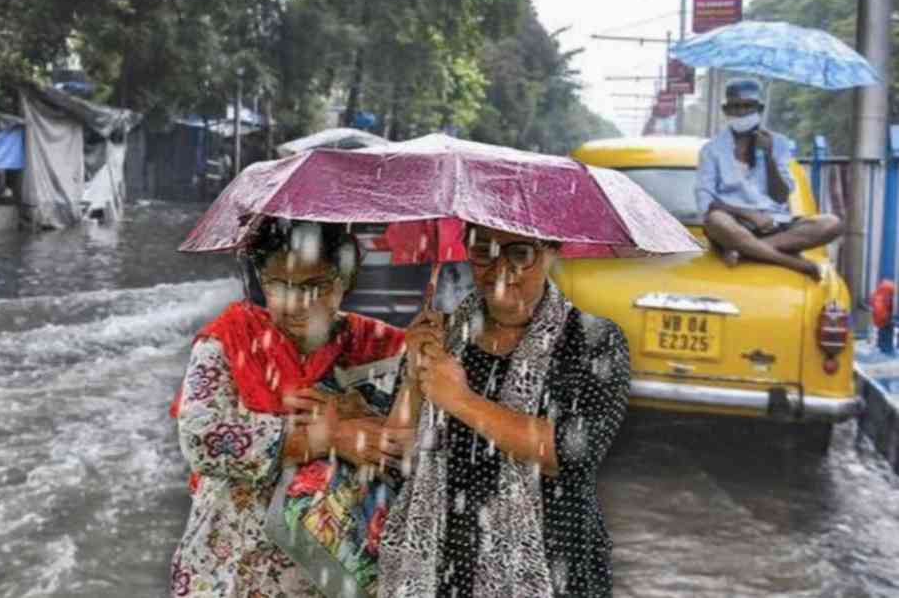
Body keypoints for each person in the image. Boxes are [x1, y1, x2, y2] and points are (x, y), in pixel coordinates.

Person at [379, 225, 632, 598]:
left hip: (553, 567)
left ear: (551, 250)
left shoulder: (593, 340)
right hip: (447, 568)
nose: (499, 269)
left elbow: (568, 454)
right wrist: (414, 380)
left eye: (519, 253)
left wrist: (460, 399)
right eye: (483, 251)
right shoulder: (443, 336)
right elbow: (395, 450)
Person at [170, 219, 413, 597]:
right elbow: (204, 441)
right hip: (236, 562)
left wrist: (364, 415)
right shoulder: (230, 341)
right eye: (278, 285)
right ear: (261, 281)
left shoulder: (379, 346)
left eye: (315, 286)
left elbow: (420, 444)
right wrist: (324, 438)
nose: (295, 303)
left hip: (332, 568)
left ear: (345, 281)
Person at [696, 78, 843, 279]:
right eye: (735, 107)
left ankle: (745, 251)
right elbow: (706, 203)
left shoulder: (778, 144)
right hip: (732, 226)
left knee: (831, 223)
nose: (741, 112)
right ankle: (793, 263)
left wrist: (768, 155)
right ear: (725, 110)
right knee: (715, 220)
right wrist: (749, 214)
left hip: (775, 225)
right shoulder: (711, 150)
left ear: (759, 108)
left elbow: (781, 196)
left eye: (747, 106)